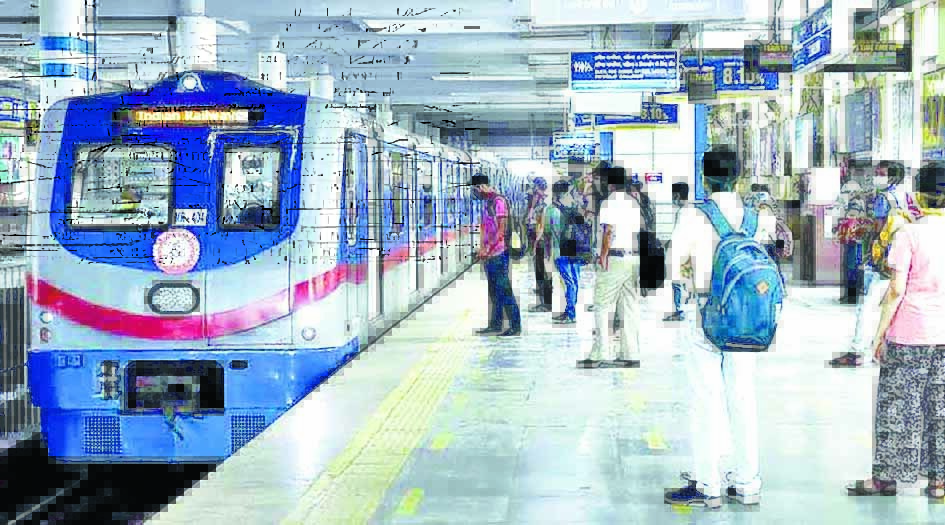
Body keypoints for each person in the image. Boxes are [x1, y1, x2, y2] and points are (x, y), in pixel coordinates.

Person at [664, 146, 776, 508]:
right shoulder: (758, 218)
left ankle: (709, 483)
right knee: (742, 396)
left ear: (704, 177)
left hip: (705, 314)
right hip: (749, 319)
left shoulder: (692, 215)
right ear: (738, 177)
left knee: (706, 397)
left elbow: (673, 268)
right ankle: (747, 482)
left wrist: (692, 274)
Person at [846, 161, 945, 499]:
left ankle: (886, 479)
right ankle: (939, 481)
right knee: (940, 408)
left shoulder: (909, 234)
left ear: (919, 195)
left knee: (899, 408)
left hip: (909, 336)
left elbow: (896, 291)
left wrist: (879, 336)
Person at [831, 161, 912, 368]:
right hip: (903, 258)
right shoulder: (907, 197)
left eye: (881, 173)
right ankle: (883, 350)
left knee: (866, 306)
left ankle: (858, 351)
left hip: (882, 260)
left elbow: (877, 228)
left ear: (893, 177)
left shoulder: (884, 198)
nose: (877, 177)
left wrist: (860, 229)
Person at [578, 166, 642, 369]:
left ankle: (601, 353)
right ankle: (630, 354)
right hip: (633, 258)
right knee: (629, 306)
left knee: (602, 305)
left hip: (615, 258)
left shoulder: (610, 202)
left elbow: (609, 231)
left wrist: (603, 255)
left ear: (610, 183)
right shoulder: (633, 202)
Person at [472, 174, 521, 337]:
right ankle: (495, 324)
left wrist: (488, 248)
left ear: (481, 187)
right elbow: (484, 228)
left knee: (505, 290)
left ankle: (515, 325)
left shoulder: (499, 201)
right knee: (494, 291)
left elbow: (501, 230)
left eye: (476, 189)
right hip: (489, 255)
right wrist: (482, 248)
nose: (476, 193)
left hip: (499, 253)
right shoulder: (487, 202)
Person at [535, 181, 569, 321]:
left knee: (549, 276)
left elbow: (547, 231)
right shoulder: (571, 207)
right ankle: (569, 310)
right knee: (567, 281)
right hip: (568, 248)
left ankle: (548, 304)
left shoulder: (550, 209)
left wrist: (543, 250)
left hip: (554, 248)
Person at [526, 177, 553, 313]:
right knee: (540, 271)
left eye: (534, 187)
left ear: (538, 188)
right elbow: (530, 218)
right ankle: (544, 298)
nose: (531, 190)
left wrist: (536, 243)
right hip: (539, 239)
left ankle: (546, 304)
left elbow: (541, 225)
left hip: (542, 241)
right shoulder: (538, 202)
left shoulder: (545, 204)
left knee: (542, 271)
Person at [663, 182, 689, 322]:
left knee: (678, 283)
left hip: (682, 254)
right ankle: (680, 310)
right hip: (687, 253)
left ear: (677, 195)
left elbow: (678, 236)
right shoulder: (690, 210)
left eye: (673, 195)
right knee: (681, 283)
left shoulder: (683, 212)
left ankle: (680, 311)